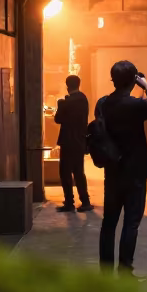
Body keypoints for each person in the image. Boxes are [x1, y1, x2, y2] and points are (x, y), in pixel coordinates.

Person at [96, 61, 147, 276]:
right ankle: (125, 270)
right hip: (135, 171)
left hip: (112, 170)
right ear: (132, 80)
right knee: (131, 223)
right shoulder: (136, 105)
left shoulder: (103, 103)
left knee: (109, 223)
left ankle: (105, 273)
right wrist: (146, 85)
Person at [53, 75, 92, 213]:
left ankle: (69, 202)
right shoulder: (83, 99)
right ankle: (85, 201)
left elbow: (58, 119)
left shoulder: (66, 102)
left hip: (68, 141)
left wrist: (60, 104)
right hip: (80, 140)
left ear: (67, 85)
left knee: (65, 172)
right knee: (78, 172)